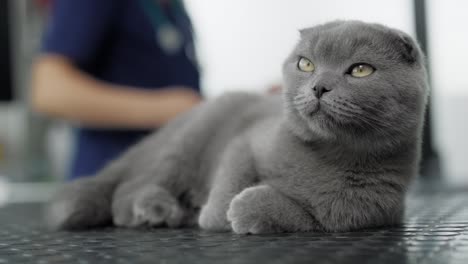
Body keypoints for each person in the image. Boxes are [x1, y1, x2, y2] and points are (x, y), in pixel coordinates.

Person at [31, 0, 202, 180]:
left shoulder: (173, 8)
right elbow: (49, 91)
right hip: (111, 185)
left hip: (159, 182)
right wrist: (165, 110)